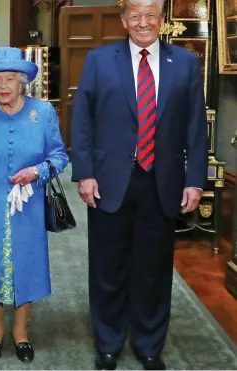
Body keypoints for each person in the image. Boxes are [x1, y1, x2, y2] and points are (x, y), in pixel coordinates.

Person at [71, 0, 208, 369]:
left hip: (162, 182)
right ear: (123, 19)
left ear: (161, 21)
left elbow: (196, 126)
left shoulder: (185, 64)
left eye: (150, 15)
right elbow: (82, 119)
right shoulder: (99, 60)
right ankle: (108, 342)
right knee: (107, 266)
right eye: (135, 15)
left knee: (154, 267)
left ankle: (149, 343)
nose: (142, 22)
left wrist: (195, 180)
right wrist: (84, 172)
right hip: (109, 180)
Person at [0, 47, 69, 363]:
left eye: (10, 79)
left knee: (26, 267)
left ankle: (21, 333)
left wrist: (38, 170)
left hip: (28, 207)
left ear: (22, 82)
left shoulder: (43, 112)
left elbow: (60, 156)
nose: (3, 85)